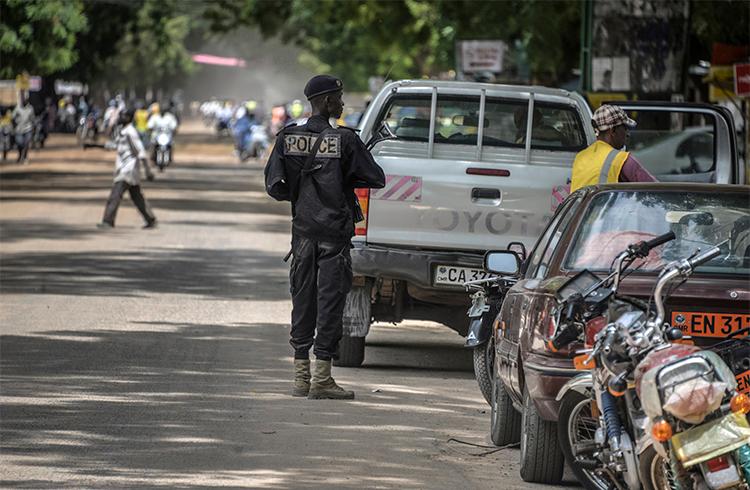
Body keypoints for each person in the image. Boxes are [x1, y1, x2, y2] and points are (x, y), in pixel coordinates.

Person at [264, 75, 385, 400]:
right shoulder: (345, 141)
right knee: (330, 305)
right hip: (334, 237)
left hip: (302, 235)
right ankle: (322, 380)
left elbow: (275, 187)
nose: (343, 103)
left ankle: (301, 378)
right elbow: (376, 178)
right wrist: (344, 175)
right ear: (328, 101)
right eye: (340, 97)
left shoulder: (288, 137)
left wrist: (303, 193)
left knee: (302, 303)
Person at [570, 104, 656, 192]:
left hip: (582, 206)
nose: (627, 134)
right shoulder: (621, 159)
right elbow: (655, 189)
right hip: (604, 206)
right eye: (625, 128)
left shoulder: (580, 157)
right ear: (613, 130)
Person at [98, 108, 157, 229]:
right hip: (125, 170)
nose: (120, 118)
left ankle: (108, 221)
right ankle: (150, 219)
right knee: (137, 197)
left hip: (128, 170)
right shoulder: (123, 131)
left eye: (123, 116)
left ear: (129, 118)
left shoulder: (131, 132)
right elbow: (115, 145)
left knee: (115, 195)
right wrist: (93, 145)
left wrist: (148, 171)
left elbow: (141, 152)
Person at [12, 95, 35, 163]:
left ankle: (25, 157)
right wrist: (14, 125)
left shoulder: (30, 108)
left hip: (28, 128)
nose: (24, 101)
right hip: (19, 129)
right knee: (20, 143)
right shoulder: (18, 107)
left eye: (25, 100)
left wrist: (33, 128)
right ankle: (20, 155)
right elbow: (13, 117)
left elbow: (32, 118)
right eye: (22, 100)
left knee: (26, 143)